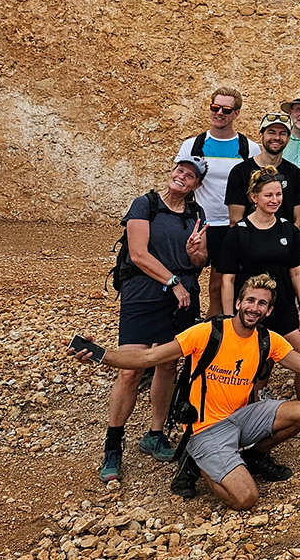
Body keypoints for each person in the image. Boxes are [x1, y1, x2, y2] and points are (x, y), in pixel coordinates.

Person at [75, 276, 300, 510]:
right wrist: (101, 354)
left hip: (240, 418)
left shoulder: (267, 338)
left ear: (269, 309)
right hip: (206, 428)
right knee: (246, 498)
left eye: (262, 303)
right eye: (250, 301)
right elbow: (146, 359)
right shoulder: (208, 332)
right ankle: (198, 463)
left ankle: (254, 456)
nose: (255, 308)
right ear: (239, 303)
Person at [98, 157, 209, 483]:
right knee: (131, 369)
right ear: (172, 172)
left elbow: (201, 260)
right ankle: (113, 445)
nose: (182, 177)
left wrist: (193, 252)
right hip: (146, 294)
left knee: (166, 365)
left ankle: (154, 433)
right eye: (180, 171)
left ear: (196, 185)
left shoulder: (195, 214)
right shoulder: (145, 204)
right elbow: (139, 254)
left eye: (190, 176)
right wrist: (172, 282)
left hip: (183, 297)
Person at [218, 169, 300, 438]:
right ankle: (253, 417)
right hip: (251, 313)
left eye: (278, 194)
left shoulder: (288, 230)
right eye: (268, 195)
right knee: (256, 365)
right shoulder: (239, 233)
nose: (274, 199)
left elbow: (296, 271)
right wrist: (227, 320)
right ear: (254, 197)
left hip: (281, 310)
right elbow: (227, 280)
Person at [176, 86, 254, 303]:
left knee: (218, 289)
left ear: (236, 113)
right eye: (215, 107)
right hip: (197, 224)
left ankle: (213, 332)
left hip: (229, 227)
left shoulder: (249, 149)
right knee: (184, 282)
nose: (219, 113)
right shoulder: (192, 146)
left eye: (226, 110)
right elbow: (179, 181)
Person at [226, 112, 300, 227]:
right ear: (260, 135)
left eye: (282, 134)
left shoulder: (296, 174)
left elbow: (298, 220)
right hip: (250, 241)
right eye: (271, 132)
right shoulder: (240, 172)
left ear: (288, 139)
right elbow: (235, 220)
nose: (277, 138)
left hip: (284, 242)